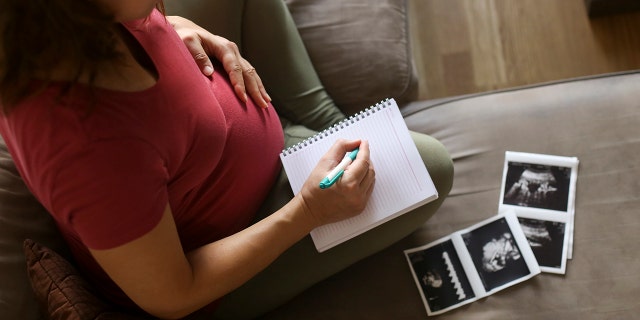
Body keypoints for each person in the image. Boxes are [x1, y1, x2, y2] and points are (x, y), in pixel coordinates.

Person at [0, 1, 453, 319]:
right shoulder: (84, 147)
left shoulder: (72, 26)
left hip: (221, 139)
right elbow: (172, 295)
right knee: (432, 166)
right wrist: (309, 212)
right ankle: (330, 140)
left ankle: (327, 125)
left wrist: (171, 27)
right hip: (226, 248)